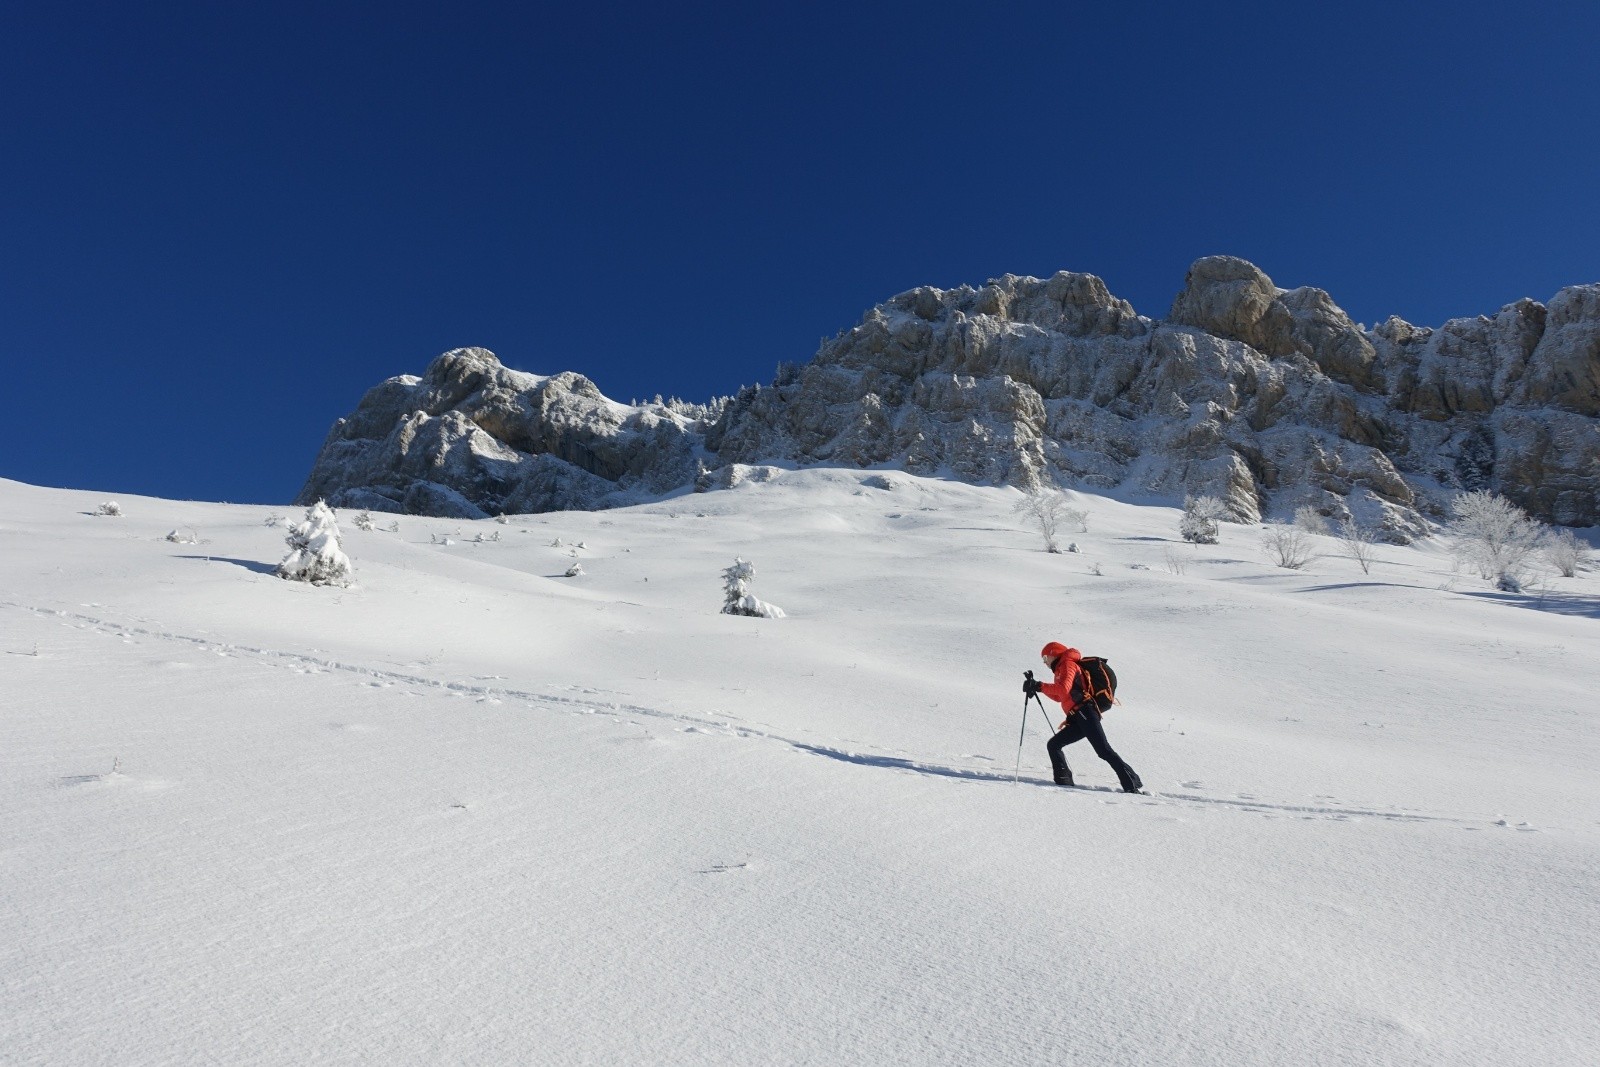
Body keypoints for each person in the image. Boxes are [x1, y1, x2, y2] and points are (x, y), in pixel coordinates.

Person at [1025, 641, 1144, 793]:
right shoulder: (1060, 670)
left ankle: (1132, 785)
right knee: (1054, 745)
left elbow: (1062, 690)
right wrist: (1038, 688)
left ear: (1054, 653)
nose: (1045, 662)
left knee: (1103, 750)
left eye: (1045, 658)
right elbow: (1059, 697)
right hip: (1077, 717)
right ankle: (1063, 781)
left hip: (1085, 712)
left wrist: (1040, 686)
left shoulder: (1067, 664)